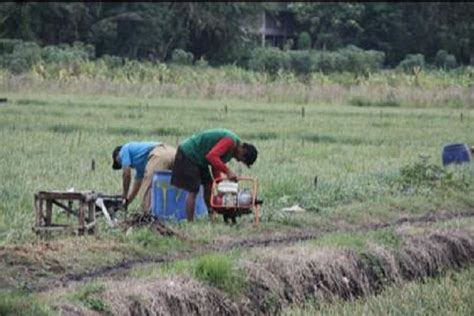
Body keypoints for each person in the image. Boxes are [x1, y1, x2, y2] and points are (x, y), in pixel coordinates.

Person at [170, 128, 258, 222]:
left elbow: (215, 164)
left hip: (200, 158)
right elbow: (211, 156)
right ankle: (190, 222)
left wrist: (220, 183)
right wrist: (228, 171)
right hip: (189, 154)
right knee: (193, 190)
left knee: (209, 185)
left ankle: (211, 216)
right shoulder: (230, 142)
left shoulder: (232, 150)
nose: (239, 160)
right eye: (242, 159)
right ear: (243, 151)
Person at [112, 141, 176, 214]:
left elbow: (126, 174)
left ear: (117, 154)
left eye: (119, 162)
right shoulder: (142, 166)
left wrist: (124, 194)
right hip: (172, 152)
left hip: (159, 154)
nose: (121, 164)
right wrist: (126, 202)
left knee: (147, 190)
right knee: (178, 185)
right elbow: (136, 188)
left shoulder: (124, 149)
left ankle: (148, 217)